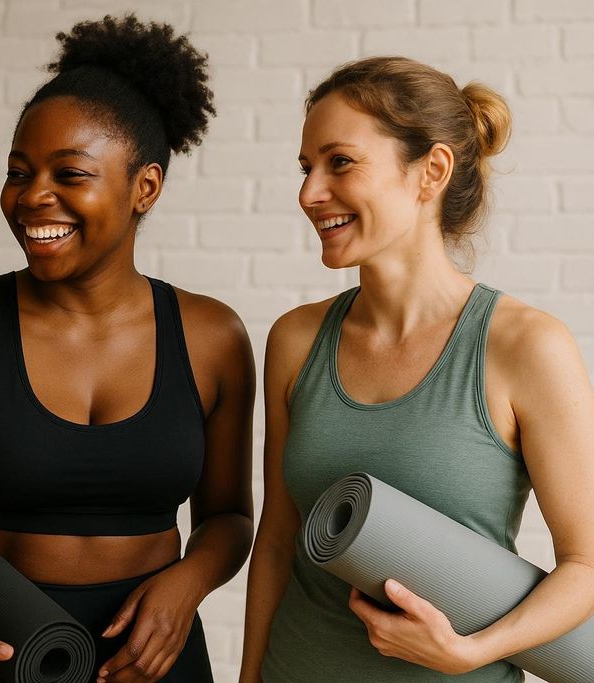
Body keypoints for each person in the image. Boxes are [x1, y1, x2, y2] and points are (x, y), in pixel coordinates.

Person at [0, 14, 254, 683]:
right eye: (19, 171)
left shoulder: (214, 337)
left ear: (144, 187)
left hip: (150, 660)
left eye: (70, 173)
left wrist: (187, 586)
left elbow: (231, 516)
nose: (33, 197)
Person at [239, 56, 594, 682]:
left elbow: (585, 567)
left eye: (339, 162)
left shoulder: (526, 346)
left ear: (430, 171)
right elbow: (276, 539)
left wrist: (473, 652)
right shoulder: (297, 339)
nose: (308, 193)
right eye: (305, 168)